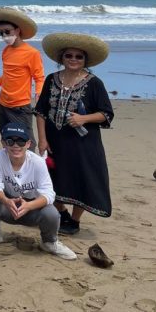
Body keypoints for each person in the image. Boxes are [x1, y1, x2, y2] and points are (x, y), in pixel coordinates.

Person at [36, 32, 114, 235]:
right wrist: (42, 139)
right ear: (61, 58)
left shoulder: (94, 83)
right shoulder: (51, 79)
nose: (73, 60)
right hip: (55, 141)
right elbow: (40, 111)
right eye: (69, 55)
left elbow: (106, 114)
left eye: (78, 57)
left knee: (82, 178)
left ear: (85, 60)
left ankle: (75, 221)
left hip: (83, 143)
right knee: (51, 177)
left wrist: (83, 119)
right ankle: (62, 213)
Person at [0, 123, 77, 259]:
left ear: (28, 144)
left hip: (32, 209)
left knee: (51, 213)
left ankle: (49, 242)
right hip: (9, 206)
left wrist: (29, 205)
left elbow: (49, 193)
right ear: (3, 143)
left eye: (20, 141)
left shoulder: (38, 162)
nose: (15, 146)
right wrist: (6, 201)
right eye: (10, 141)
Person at [0, 8, 45, 142]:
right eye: (1, 33)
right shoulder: (6, 51)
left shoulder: (32, 53)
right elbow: (7, 76)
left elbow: (39, 77)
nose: (5, 35)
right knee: (7, 140)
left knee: (26, 141)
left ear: (18, 30)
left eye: (7, 31)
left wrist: (38, 94)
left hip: (21, 106)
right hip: (2, 104)